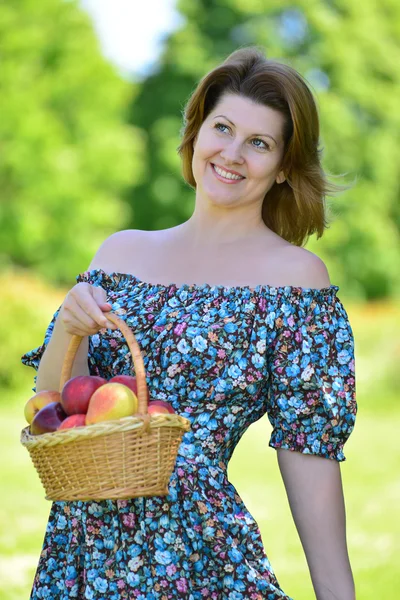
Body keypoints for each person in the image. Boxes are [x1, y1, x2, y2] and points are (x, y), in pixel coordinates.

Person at [21, 46, 357, 600]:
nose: (232, 153)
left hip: (197, 554)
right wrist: (67, 329)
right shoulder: (119, 254)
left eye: (259, 143)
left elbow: (311, 450)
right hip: (83, 552)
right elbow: (56, 410)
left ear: (282, 168)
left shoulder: (296, 281)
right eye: (222, 128)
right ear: (197, 133)